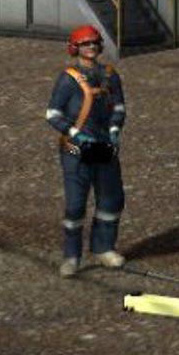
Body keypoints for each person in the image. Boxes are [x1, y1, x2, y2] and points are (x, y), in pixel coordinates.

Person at [45, 24, 128, 277]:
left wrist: (115, 130)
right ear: (75, 48)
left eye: (93, 43)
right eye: (85, 43)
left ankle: (104, 248)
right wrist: (75, 134)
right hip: (76, 151)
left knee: (111, 201)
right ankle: (72, 256)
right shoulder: (68, 78)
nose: (90, 47)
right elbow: (52, 114)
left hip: (104, 148)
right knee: (75, 205)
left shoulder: (110, 75)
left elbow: (119, 108)